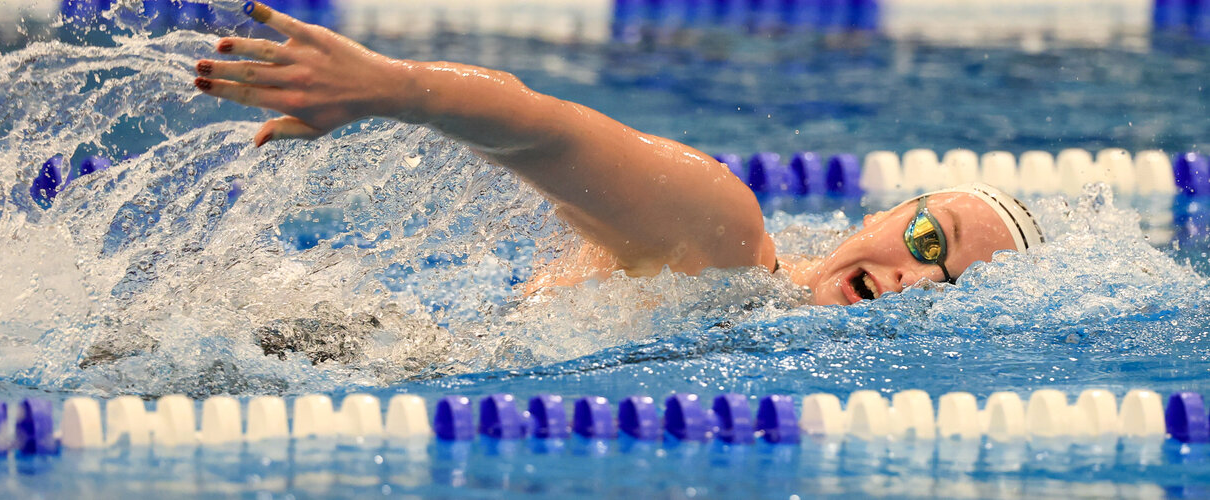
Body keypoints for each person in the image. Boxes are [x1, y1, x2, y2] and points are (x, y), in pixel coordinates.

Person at [192, 2, 1044, 307]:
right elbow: (551, 129)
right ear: (889, 214)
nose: (921, 279)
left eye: (957, 289)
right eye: (931, 244)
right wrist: (395, 90)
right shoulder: (726, 239)